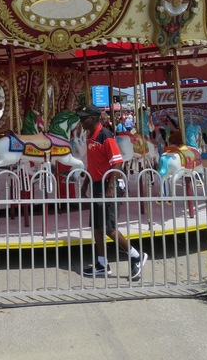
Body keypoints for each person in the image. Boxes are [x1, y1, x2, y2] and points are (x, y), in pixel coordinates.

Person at [77, 103, 148, 280]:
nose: (81, 122)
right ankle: (102, 263)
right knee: (97, 227)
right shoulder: (90, 136)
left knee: (109, 228)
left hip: (109, 184)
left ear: (93, 119)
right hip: (96, 183)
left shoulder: (105, 136)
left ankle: (135, 256)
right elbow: (93, 162)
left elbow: (117, 162)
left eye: (83, 119)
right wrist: (86, 182)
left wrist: (110, 187)